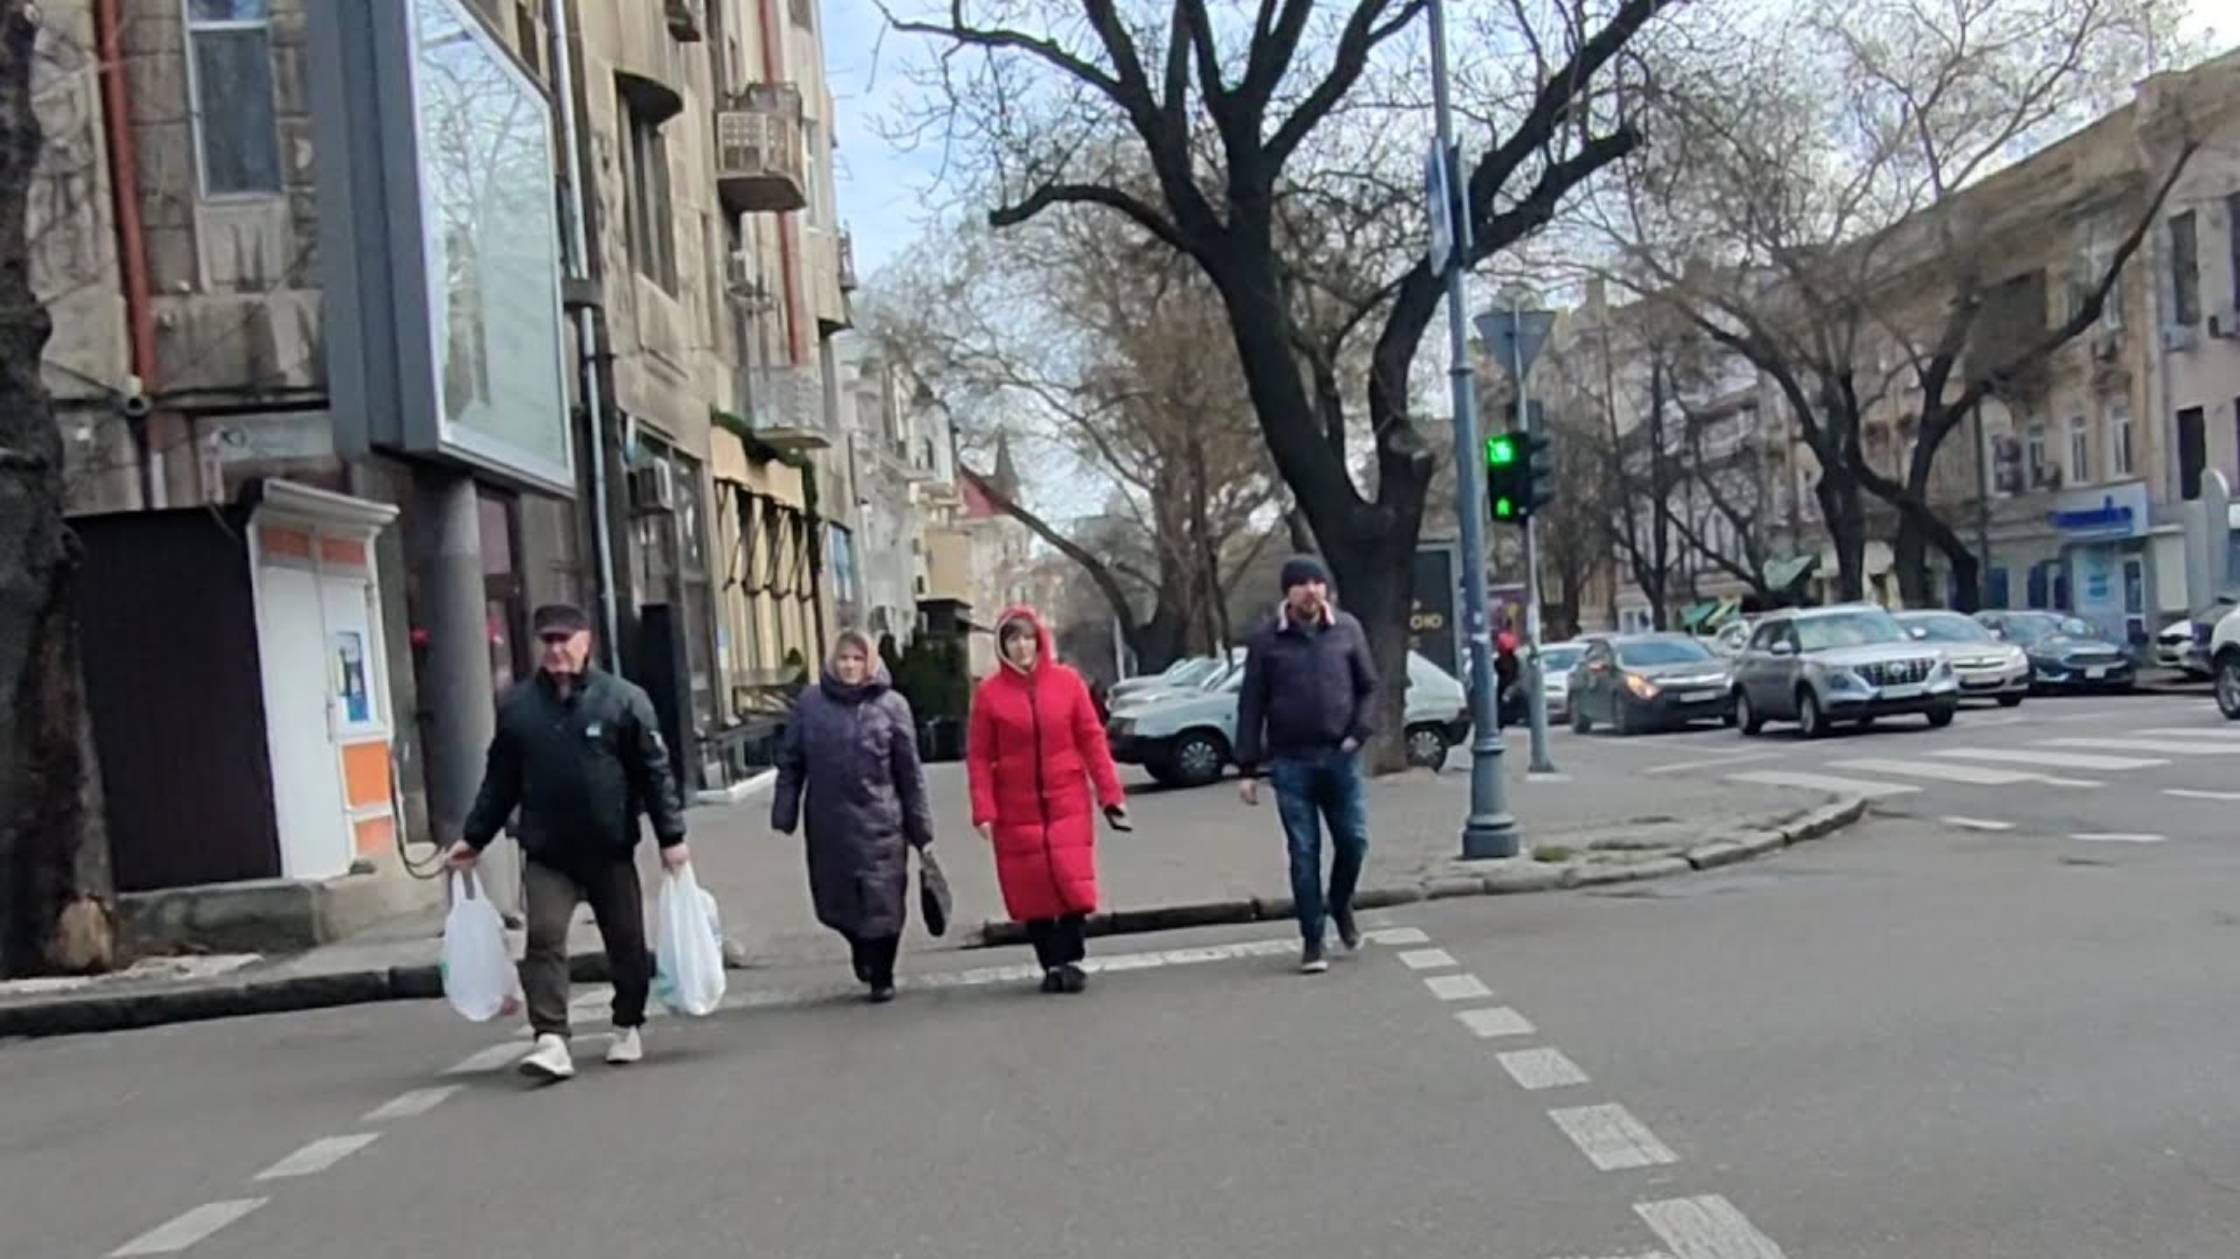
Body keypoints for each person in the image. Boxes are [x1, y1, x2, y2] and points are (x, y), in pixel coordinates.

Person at [449, 604, 688, 1083]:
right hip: (547, 851)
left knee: (625, 943)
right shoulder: (519, 709)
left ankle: (627, 1023)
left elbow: (654, 774)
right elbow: (500, 782)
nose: (557, 650)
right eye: (548, 642)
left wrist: (672, 837)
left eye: (566, 640)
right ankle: (551, 1037)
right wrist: (473, 838)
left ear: (586, 643)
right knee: (543, 937)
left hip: (610, 847)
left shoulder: (623, 700)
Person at [967, 607, 1129, 993]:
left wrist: (1111, 794)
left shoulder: (1067, 684)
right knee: (1033, 890)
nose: (1021, 647)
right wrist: (983, 810)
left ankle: (1072, 957)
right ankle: (1051, 964)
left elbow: (1091, 739)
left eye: (1027, 638)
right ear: (1003, 646)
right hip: (1016, 806)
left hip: (1066, 798)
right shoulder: (990, 695)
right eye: (1013, 639)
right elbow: (978, 756)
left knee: (1072, 884)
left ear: (1039, 641)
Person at [770, 630, 936, 1003]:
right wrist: (785, 810)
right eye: (843, 658)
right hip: (831, 823)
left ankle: (883, 972)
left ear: (870, 663)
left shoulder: (892, 706)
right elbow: (791, 760)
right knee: (837, 898)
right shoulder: (811, 705)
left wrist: (920, 828)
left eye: (857, 659)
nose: (849, 666)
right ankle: (861, 947)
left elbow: (909, 773)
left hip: (882, 820)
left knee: (885, 899)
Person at [1235, 556, 1379, 974]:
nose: (1311, 590)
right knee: (1303, 852)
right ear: (1288, 592)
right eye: (1301, 584)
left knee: (1353, 841)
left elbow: (1369, 687)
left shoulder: (1347, 630)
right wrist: (1247, 768)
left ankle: (1340, 902)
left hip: (1340, 755)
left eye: (1318, 582)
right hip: (1290, 761)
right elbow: (1252, 704)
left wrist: (1358, 733)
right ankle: (1313, 939)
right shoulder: (1267, 641)